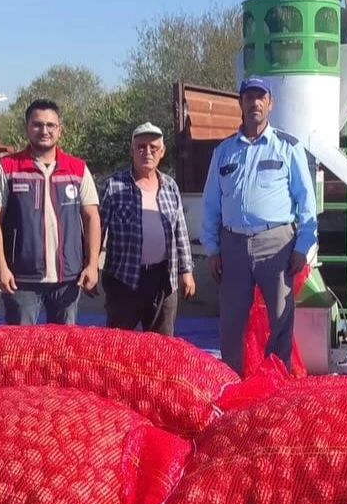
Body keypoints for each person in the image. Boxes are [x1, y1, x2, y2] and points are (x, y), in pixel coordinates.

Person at [200, 77, 318, 375]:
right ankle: (232, 385)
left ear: (270, 103)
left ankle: (277, 385)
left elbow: (306, 203)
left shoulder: (288, 148)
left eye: (260, 97)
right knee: (231, 322)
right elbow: (211, 203)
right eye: (248, 97)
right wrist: (213, 249)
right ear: (240, 103)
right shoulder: (224, 152)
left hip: (276, 245)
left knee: (280, 319)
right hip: (233, 246)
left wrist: (303, 247)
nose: (254, 103)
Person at [0, 99, 100, 325]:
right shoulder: (7, 167)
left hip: (68, 278)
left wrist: (93, 264)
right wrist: (1, 268)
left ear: (60, 130)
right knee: (20, 349)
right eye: (37, 125)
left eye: (50, 125)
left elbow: (92, 217)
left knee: (63, 348)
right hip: (22, 279)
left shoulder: (77, 168)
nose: (44, 130)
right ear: (27, 127)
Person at [99, 122, 195, 335]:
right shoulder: (114, 185)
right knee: (119, 347)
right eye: (141, 147)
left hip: (163, 278)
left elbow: (180, 230)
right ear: (132, 150)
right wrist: (89, 267)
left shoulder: (170, 186)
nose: (147, 152)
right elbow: (99, 229)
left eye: (153, 148)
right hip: (123, 279)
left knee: (162, 347)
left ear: (162, 152)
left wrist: (186, 271)